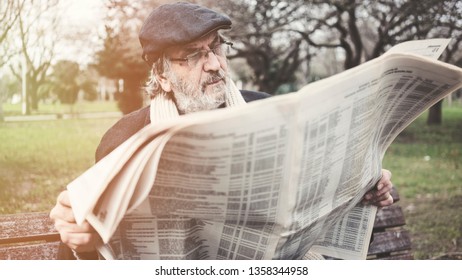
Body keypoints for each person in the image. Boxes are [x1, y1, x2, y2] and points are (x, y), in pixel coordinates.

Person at [49, 2, 394, 260]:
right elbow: (95, 246)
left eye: (215, 47)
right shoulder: (123, 140)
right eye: (194, 55)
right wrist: (78, 237)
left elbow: (321, 192)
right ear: (164, 75)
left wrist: (366, 184)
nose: (214, 64)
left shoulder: (272, 111)